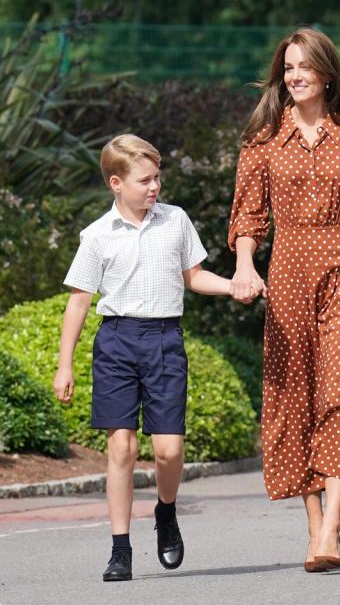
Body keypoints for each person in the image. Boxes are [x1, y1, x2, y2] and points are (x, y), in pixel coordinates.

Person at [227, 27, 340, 572]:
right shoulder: (262, 138)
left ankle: (332, 522)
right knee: (294, 401)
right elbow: (249, 214)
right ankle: (314, 531)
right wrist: (243, 265)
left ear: (328, 73)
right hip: (285, 276)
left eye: (305, 66)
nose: (296, 75)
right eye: (288, 68)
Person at [53, 134, 233, 581]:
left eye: (157, 178)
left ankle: (166, 513)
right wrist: (64, 363)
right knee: (122, 447)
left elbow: (195, 276)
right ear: (117, 183)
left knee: (169, 451)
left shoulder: (175, 221)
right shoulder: (96, 236)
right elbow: (78, 302)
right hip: (116, 341)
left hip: (164, 339)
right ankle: (120, 551)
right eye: (145, 180)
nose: (155, 187)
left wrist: (233, 285)